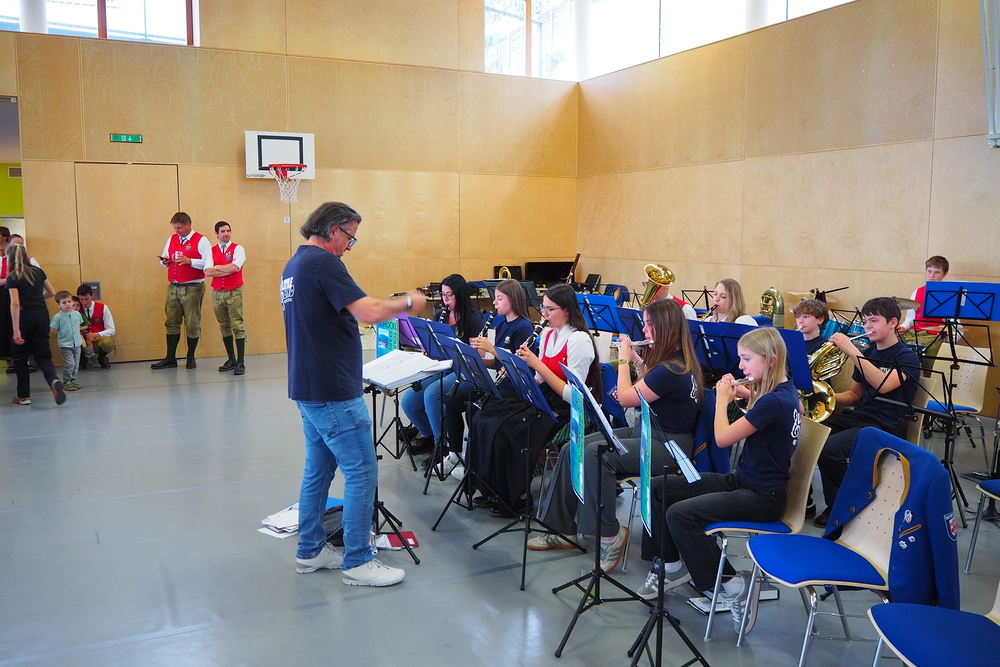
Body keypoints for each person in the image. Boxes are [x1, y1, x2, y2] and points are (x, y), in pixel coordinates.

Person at [282, 201, 426, 587]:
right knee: (362, 470)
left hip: (309, 387)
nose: (350, 245)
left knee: (318, 470)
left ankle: (310, 550)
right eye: (350, 236)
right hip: (332, 392)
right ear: (333, 230)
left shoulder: (294, 265)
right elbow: (369, 312)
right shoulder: (323, 263)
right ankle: (358, 561)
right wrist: (409, 302)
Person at [639, 327, 800, 634]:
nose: (740, 366)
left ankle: (732, 585)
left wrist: (722, 400)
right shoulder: (785, 390)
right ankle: (672, 565)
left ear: (771, 360)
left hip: (763, 497)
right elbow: (788, 407)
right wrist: (747, 393)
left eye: (747, 359)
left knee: (681, 515)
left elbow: (723, 439)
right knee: (659, 487)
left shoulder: (773, 402)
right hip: (743, 481)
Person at [529, 298, 702, 573]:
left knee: (597, 455)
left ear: (665, 328)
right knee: (573, 447)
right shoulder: (673, 362)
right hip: (648, 433)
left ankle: (610, 534)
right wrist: (637, 360)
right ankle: (561, 529)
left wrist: (622, 359)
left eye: (649, 325)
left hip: (668, 445)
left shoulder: (671, 370)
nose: (644, 330)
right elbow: (648, 385)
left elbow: (625, 398)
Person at [468, 283, 601, 516]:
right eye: (543, 308)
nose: (545, 314)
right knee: (484, 417)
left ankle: (516, 497)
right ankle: (491, 489)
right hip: (542, 397)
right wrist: (520, 374)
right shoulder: (548, 334)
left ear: (567, 310)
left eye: (550, 309)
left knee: (507, 430)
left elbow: (574, 395)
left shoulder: (579, 340)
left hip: (565, 407)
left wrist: (537, 365)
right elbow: (539, 378)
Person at [813, 297, 919, 527]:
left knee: (830, 448)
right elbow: (855, 396)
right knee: (810, 433)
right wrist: (822, 395)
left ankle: (842, 507)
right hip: (861, 417)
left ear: (893, 322)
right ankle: (811, 501)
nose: (867, 326)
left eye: (874, 320)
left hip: (887, 424)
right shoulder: (869, 352)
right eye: (865, 321)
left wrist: (853, 352)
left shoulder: (906, 357)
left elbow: (883, 384)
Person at [443, 279, 536, 479]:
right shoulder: (501, 325)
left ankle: (475, 465)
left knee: (473, 410)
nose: (494, 303)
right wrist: (473, 359)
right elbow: (497, 363)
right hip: (498, 382)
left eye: (499, 299)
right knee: (452, 402)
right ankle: (454, 455)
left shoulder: (524, 327)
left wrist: (492, 349)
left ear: (512, 300)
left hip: (514, 388)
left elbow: (521, 366)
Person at [400, 274, 485, 459]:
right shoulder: (441, 315)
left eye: (449, 295)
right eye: (443, 295)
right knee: (409, 401)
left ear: (460, 295)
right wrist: (429, 348)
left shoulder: (474, 319)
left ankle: (445, 446)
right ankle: (429, 437)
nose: (445, 300)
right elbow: (435, 349)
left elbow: (477, 356)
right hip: (444, 367)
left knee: (433, 394)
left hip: (466, 371)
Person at [152, 212, 213, 370]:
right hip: (174, 286)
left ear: (188, 224)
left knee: (192, 323)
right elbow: (165, 259)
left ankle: (190, 356)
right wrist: (165, 261)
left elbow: (209, 263)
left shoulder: (201, 240)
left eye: (179, 228)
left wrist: (190, 261)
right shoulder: (172, 239)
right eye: (175, 228)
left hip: (193, 287)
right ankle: (170, 357)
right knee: (171, 322)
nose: (177, 231)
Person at [6, 244, 65, 406]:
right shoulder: (38, 272)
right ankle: (53, 380)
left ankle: (23, 396)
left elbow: (15, 303)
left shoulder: (13, 277)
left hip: (25, 317)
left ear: (10, 258)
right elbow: (52, 292)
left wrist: (16, 330)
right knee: (43, 354)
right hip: (41, 315)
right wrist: (37, 298)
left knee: (20, 356)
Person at [204, 221, 247, 375]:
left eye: (228, 231)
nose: (226, 234)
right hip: (217, 292)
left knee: (237, 325)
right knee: (224, 325)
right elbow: (207, 272)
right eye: (222, 231)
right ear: (216, 234)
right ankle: (231, 359)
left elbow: (235, 267)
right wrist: (226, 269)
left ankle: (241, 362)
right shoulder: (211, 250)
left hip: (234, 291)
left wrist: (217, 267)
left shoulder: (238, 249)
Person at [899, 256, 949, 333]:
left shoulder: (949, 295)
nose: (932, 276)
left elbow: (955, 324)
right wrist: (904, 327)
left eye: (937, 272)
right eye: (929, 271)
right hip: (916, 333)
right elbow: (910, 318)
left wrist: (949, 336)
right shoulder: (917, 292)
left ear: (945, 274)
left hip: (936, 334)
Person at [76, 284, 116, 369]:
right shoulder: (76, 308)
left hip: (97, 339)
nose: (84, 302)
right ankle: (82, 358)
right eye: (81, 299)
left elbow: (112, 330)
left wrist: (97, 334)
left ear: (92, 296)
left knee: (108, 343)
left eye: (87, 299)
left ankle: (102, 357)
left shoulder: (103, 307)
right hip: (81, 340)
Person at [50, 291, 84, 391]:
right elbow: (54, 331)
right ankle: (67, 381)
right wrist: (63, 337)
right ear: (59, 305)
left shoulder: (77, 314)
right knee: (70, 364)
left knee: (76, 364)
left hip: (77, 344)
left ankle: (73, 380)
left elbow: (78, 327)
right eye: (64, 302)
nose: (68, 304)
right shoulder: (58, 317)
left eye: (69, 301)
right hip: (66, 345)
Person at [0, 226, 12, 369]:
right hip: (1, 294)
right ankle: (10, 361)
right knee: (3, 324)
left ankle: (29, 359)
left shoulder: (13, 254)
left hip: (13, 291)